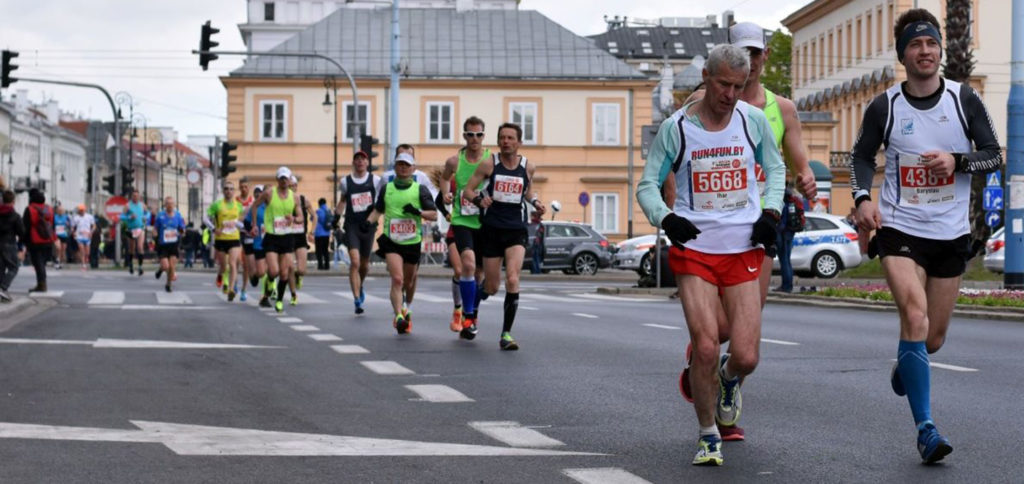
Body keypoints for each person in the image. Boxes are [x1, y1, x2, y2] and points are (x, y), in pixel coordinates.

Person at [851, 8, 1003, 464]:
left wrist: (958, 161)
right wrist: (862, 198)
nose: (925, 51)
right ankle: (926, 429)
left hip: (950, 231)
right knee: (913, 316)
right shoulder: (885, 106)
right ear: (903, 55)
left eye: (931, 44)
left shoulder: (964, 100)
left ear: (940, 51)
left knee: (931, 339)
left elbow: (994, 155)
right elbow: (861, 155)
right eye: (916, 45)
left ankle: (909, 362)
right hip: (900, 227)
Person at [637, 44, 785, 466]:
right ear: (706, 76)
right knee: (704, 345)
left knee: (747, 355)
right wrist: (666, 219)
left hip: (743, 248)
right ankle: (707, 436)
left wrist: (770, 212)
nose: (730, 94)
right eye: (723, 84)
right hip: (696, 249)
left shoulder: (752, 121)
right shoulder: (677, 128)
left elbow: (775, 170)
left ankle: (728, 378)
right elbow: (647, 185)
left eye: (739, 86)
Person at [676, 21, 821, 441]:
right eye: (743, 53)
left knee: (744, 335)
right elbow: (676, 158)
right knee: (715, 332)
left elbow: (795, 160)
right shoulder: (700, 103)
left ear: (765, 58)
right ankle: (704, 360)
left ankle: (726, 394)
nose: (751, 61)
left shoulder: (781, 109)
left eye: (756, 54)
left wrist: (807, 176)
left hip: (758, 231)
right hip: (710, 229)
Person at [462, 122, 545, 350]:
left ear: (519, 142)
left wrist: (536, 202)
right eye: (502, 138)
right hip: (492, 230)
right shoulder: (489, 164)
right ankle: (471, 313)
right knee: (491, 286)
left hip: (516, 229)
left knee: (512, 278)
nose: (506, 141)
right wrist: (480, 200)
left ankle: (506, 334)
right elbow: (468, 191)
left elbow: (527, 192)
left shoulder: (528, 167)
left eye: (510, 138)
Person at [363, 152, 437, 334]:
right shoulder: (387, 188)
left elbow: (433, 214)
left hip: (412, 241)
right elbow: (378, 210)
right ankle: (398, 316)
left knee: (409, 281)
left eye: (407, 165)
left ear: (413, 169)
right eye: (400, 164)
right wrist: (368, 222)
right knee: (397, 279)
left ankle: (406, 306)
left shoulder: (420, 189)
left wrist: (417, 211)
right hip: (392, 240)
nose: (403, 167)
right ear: (395, 167)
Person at [440, 116, 492, 340]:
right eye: (470, 134)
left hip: (486, 221)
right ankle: (467, 315)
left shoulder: (492, 160)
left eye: (479, 134)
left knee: (481, 275)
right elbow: (444, 179)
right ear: (464, 136)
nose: (474, 139)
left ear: (483, 136)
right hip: (462, 220)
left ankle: (473, 314)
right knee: (467, 265)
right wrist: (445, 194)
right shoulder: (455, 161)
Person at [336, 151, 381, 314]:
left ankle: (359, 284)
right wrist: (335, 218)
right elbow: (342, 201)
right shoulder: (345, 182)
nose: (360, 162)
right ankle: (356, 299)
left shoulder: (376, 181)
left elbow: (380, 204)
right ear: (353, 163)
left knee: (364, 265)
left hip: (368, 227)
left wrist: (372, 219)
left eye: (363, 159)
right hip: (352, 226)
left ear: (367, 163)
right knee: (354, 262)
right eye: (357, 159)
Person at [251, 167, 300, 313]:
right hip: (272, 236)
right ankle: (271, 281)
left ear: (290, 179)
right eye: (281, 178)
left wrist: (294, 218)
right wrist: (254, 225)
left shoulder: (295, 197)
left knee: (284, 273)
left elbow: (301, 217)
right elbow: (254, 206)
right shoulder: (269, 193)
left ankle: (279, 300)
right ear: (277, 180)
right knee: (273, 271)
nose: (284, 181)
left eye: (286, 178)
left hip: (287, 237)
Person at [206, 181, 244, 301]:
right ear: (223, 191)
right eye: (226, 189)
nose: (229, 191)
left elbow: (242, 224)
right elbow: (205, 218)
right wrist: (213, 229)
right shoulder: (217, 205)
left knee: (233, 264)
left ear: (234, 191)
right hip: (221, 239)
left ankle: (231, 289)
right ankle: (220, 274)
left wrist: (236, 223)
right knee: (223, 267)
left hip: (234, 238)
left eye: (231, 189)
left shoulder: (238, 205)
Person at [22, 188, 58, 293]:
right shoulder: (49, 209)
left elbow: (26, 226)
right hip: (47, 239)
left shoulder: (30, 209)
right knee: (42, 262)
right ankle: (41, 283)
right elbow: (53, 225)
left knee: (38, 263)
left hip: (35, 240)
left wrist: (23, 241)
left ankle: (42, 284)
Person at [286, 175, 314, 305]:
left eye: (293, 186)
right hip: (287, 236)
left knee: (302, 269)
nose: (291, 188)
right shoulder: (283, 201)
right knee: (290, 267)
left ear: (296, 187)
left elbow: (315, 216)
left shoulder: (303, 200)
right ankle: (293, 294)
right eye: (289, 186)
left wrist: (312, 232)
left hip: (301, 237)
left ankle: (298, 276)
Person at [774, 184, 803, 293]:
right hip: (790, 232)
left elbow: (782, 221)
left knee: (784, 261)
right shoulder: (792, 198)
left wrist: (777, 231)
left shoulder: (782, 199)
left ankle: (786, 286)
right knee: (787, 260)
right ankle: (787, 285)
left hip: (783, 234)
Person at [154, 196, 185, 292]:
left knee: (172, 266)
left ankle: (168, 284)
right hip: (163, 245)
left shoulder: (178, 216)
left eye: (171, 203)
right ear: (165, 205)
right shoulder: (160, 216)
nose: (170, 205)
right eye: (168, 203)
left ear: (174, 205)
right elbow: (155, 229)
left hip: (174, 244)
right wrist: (154, 235)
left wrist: (182, 231)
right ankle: (161, 269)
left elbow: (182, 228)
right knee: (166, 266)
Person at [0, 190, 23, 302]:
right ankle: (3, 288)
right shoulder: (15, 216)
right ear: (13, 202)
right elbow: (21, 232)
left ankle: (2, 293)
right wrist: (21, 247)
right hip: (9, 243)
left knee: (1, 268)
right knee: (14, 267)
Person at [238, 177, 256, 302]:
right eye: (242, 187)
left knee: (245, 265)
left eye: (246, 187)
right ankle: (232, 281)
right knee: (235, 261)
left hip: (248, 234)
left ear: (249, 188)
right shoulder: (235, 201)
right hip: (236, 233)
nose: (244, 189)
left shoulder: (254, 201)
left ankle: (243, 290)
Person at [124, 190, 147, 276]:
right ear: (131, 196)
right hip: (131, 229)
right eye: (134, 196)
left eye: (137, 196)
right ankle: (130, 264)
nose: (135, 197)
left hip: (140, 228)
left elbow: (147, 214)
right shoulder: (127, 205)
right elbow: (122, 217)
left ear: (139, 197)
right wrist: (130, 216)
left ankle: (140, 267)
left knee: (140, 247)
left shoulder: (142, 205)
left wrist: (145, 218)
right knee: (131, 249)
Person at [70, 204, 96, 271]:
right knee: (81, 250)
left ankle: (86, 259)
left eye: (82, 210)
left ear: (85, 210)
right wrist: (73, 233)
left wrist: (91, 232)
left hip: (87, 235)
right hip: (79, 235)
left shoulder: (89, 217)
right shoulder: (76, 218)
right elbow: (72, 227)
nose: (81, 211)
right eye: (80, 210)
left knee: (87, 252)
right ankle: (83, 264)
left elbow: (93, 226)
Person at [314, 197, 333, 270]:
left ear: (319, 204)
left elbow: (312, 218)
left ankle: (320, 265)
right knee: (325, 250)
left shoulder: (318, 211)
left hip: (318, 234)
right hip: (326, 234)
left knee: (318, 250)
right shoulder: (328, 211)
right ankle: (327, 265)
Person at [53, 204, 70, 269]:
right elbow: (52, 225)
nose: (60, 211)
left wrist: (68, 226)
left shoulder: (66, 217)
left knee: (63, 250)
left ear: (63, 211)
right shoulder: (55, 217)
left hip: (64, 235)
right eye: (59, 210)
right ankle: (57, 261)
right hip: (57, 235)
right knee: (58, 248)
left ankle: (60, 262)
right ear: (57, 211)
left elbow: (69, 226)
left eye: (61, 210)